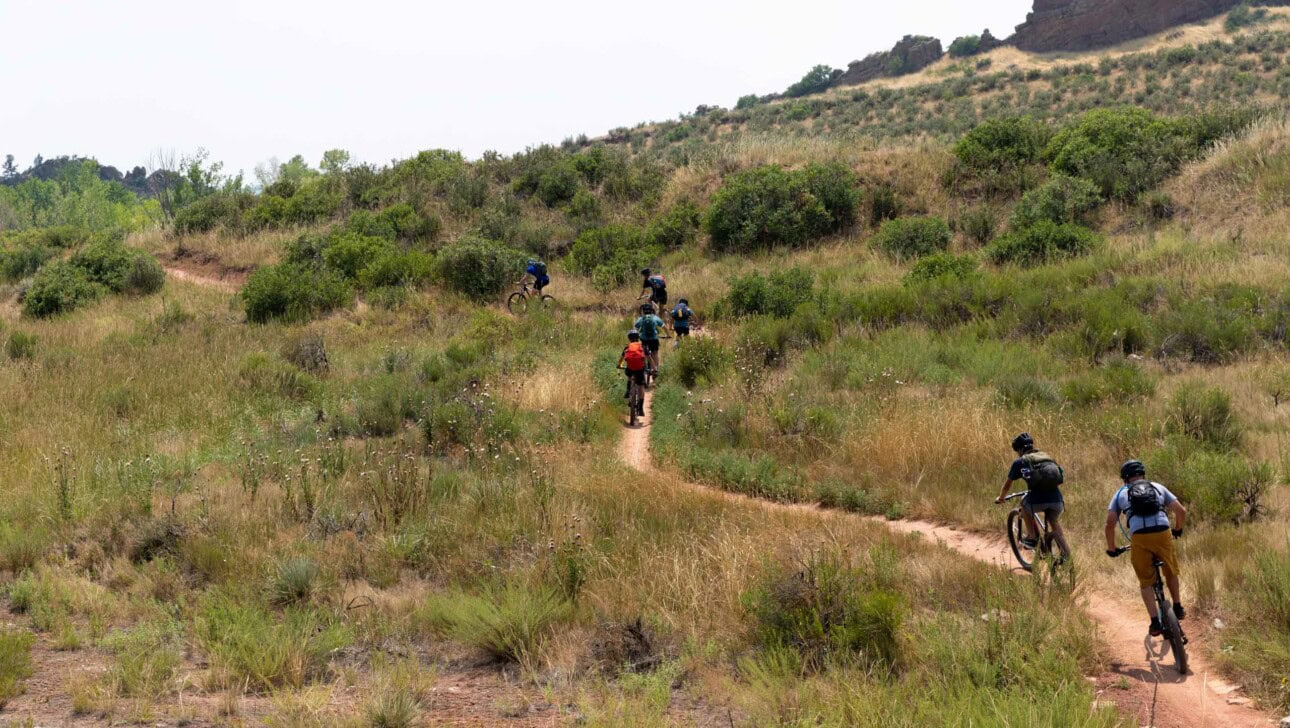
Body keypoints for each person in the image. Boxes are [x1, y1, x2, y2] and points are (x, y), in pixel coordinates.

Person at [1106, 459, 1187, 637]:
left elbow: (1110, 524)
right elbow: (1181, 511)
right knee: (1171, 570)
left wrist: (1112, 549)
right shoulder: (1158, 487)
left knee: (1145, 581)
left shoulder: (1121, 493)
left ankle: (1154, 622)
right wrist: (1178, 529)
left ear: (1125, 478)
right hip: (1163, 532)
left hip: (1140, 537)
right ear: (1143, 474)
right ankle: (1178, 606)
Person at [995, 432, 1070, 559]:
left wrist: (1001, 498)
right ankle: (1065, 550)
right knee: (1053, 520)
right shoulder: (1047, 457)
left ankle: (1032, 536)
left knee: (1024, 504)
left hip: (1036, 500)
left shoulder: (1020, 462)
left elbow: (1007, 485)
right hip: (1057, 500)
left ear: (1019, 449)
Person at [617, 329, 648, 415]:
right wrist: (653, 368)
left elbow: (621, 359)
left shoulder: (627, 347)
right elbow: (649, 359)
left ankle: (628, 390)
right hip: (640, 370)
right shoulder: (642, 347)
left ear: (629, 338)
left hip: (630, 369)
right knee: (641, 386)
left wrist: (619, 365)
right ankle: (640, 408)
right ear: (638, 338)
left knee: (629, 376)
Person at [634, 303, 666, 373]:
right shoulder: (655, 318)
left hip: (644, 339)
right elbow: (664, 326)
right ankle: (656, 368)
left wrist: (637, 337)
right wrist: (668, 334)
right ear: (651, 310)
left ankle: (644, 367)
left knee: (644, 353)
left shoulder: (641, 319)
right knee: (655, 353)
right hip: (654, 339)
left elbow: (635, 328)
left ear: (643, 311)